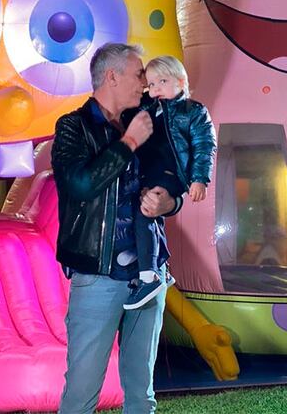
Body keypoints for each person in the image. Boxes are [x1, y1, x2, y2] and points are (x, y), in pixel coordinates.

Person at [51, 43, 182, 413]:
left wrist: (169, 203)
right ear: (112, 76)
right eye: (139, 73)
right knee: (81, 394)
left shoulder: (147, 121)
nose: (145, 83)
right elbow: (79, 185)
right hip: (98, 275)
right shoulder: (73, 126)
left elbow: (175, 179)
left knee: (142, 394)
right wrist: (128, 143)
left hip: (150, 273)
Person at [125, 55, 215, 310]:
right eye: (150, 85)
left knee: (145, 212)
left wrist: (199, 179)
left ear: (181, 81)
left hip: (172, 173)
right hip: (150, 171)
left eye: (162, 82)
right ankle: (157, 267)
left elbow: (204, 145)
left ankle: (149, 275)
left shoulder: (193, 111)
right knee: (146, 216)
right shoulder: (150, 108)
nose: (155, 90)